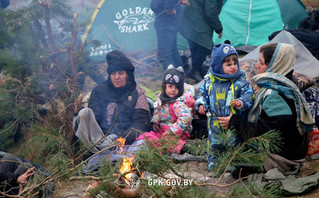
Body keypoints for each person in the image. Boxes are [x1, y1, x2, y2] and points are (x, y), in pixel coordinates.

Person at [218, 43, 315, 173]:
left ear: (275, 65)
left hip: (284, 157)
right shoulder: (285, 83)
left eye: (262, 63)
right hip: (290, 149)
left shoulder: (276, 96)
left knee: (233, 166)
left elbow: (265, 135)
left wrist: (234, 122)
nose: (257, 66)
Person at [73, 50, 150, 153]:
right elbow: (95, 119)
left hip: (127, 141)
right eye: (113, 73)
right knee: (84, 113)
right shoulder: (99, 91)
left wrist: (122, 139)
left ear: (127, 75)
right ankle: (95, 152)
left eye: (121, 73)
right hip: (101, 141)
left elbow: (140, 122)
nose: (116, 77)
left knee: (142, 146)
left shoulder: (137, 92)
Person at [196, 42, 254, 170]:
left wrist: (242, 102)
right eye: (228, 64)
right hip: (214, 122)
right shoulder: (209, 81)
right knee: (214, 145)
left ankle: (232, 166)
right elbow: (202, 94)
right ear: (218, 65)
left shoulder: (240, 81)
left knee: (233, 144)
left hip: (233, 121)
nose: (233, 67)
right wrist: (201, 104)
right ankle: (214, 167)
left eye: (235, 63)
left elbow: (249, 94)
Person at [136, 65, 195, 154]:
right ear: (164, 87)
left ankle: (185, 148)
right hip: (163, 130)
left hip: (178, 133)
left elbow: (186, 118)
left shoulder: (178, 103)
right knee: (147, 136)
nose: (173, 90)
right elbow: (158, 111)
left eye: (177, 87)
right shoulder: (162, 99)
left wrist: (172, 131)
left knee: (167, 141)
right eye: (170, 86)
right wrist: (155, 122)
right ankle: (159, 147)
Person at [180, 0, 223, 82]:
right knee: (205, 46)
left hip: (190, 17)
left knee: (195, 45)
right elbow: (210, 12)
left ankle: (198, 70)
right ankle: (195, 70)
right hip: (195, 19)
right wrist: (218, 28)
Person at [151, 0, 186, 69]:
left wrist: (169, 8)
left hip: (166, 15)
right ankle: (180, 77)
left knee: (164, 55)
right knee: (172, 50)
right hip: (168, 14)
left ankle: (172, 78)